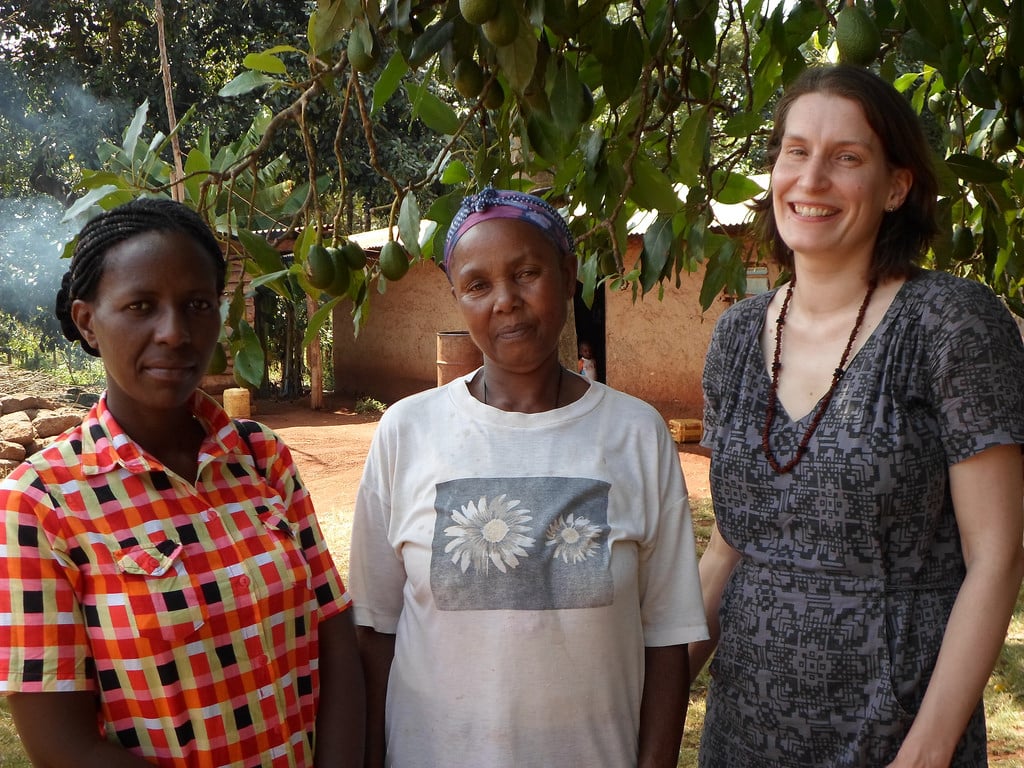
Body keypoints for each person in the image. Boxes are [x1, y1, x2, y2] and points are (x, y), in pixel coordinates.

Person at [693, 64, 1024, 767]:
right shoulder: (736, 334)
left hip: (895, 732)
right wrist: (651, 690)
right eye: (796, 151)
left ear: (897, 186)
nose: (811, 180)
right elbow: (729, 545)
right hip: (743, 732)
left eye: (847, 158)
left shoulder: (950, 324)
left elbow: (995, 558)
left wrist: (927, 752)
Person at [348, 186, 708, 768]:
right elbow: (374, 633)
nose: (506, 301)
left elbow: (666, 638)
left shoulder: (636, 434)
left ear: (568, 275)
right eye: (478, 284)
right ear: (457, 298)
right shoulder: (407, 432)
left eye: (527, 273)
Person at [0, 197, 365, 767]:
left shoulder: (260, 455)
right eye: (141, 305)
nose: (174, 332)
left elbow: (334, 631)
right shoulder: (40, 504)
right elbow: (62, 745)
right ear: (87, 322)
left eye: (196, 304)